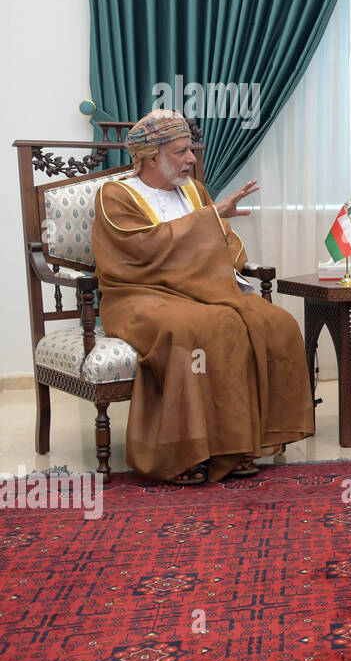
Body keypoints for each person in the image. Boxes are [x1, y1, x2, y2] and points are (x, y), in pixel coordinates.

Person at [92, 110, 314, 484]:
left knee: (276, 323)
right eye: (182, 152)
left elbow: (219, 240)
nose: (192, 160)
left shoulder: (193, 190)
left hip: (202, 289)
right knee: (199, 329)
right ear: (151, 156)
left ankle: (242, 444)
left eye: (190, 151)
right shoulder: (115, 195)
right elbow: (142, 249)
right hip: (138, 296)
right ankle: (183, 452)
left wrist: (218, 234)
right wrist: (211, 216)